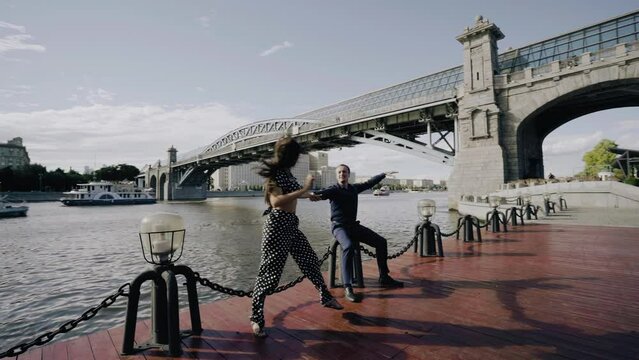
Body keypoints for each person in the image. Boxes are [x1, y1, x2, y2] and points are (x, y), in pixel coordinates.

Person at [249, 137, 342, 338]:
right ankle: (256, 318)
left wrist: (308, 195)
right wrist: (304, 189)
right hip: (276, 226)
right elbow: (276, 201)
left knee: (310, 262)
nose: (297, 159)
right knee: (270, 276)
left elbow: (291, 193)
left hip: (291, 224)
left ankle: (325, 297)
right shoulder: (274, 175)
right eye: (296, 155)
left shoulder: (286, 173)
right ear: (288, 155)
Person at [310, 164, 404, 303]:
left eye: (345, 172)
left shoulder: (354, 188)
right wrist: (313, 195)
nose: (342, 174)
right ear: (337, 175)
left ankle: (384, 276)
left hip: (353, 226)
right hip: (339, 227)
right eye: (340, 172)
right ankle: (348, 287)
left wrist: (383, 173)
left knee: (381, 242)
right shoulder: (333, 190)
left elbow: (369, 183)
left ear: (348, 174)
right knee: (348, 246)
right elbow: (321, 193)